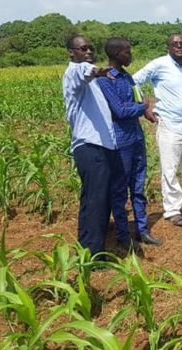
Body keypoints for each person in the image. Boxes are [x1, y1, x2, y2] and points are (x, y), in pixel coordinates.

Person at [96, 38, 163, 248]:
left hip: (136, 138)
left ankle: (142, 231)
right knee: (120, 190)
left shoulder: (127, 77)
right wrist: (141, 107)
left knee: (138, 187)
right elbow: (120, 111)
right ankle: (124, 236)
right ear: (117, 54)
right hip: (120, 142)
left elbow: (136, 100)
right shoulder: (105, 80)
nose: (130, 55)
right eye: (127, 52)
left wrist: (144, 109)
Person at [133, 34, 182, 228]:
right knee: (170, 168)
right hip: (169, 123)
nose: (179, 46)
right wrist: (144, 107)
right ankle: (172, 209)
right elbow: (134, 81)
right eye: (175, 44)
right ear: (168, 47)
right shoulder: (159, 64)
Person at [61, 35, 119, 256]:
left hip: (102, 145)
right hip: (88, 145)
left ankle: (96, 244)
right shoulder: (75, 72)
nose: (88, 51)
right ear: (71, 52)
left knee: (100, 196)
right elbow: (85, 70)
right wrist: (96, 71)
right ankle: (91, 252)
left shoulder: (92, 83)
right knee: (94, 199)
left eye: (90, 48)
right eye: (83, 48)